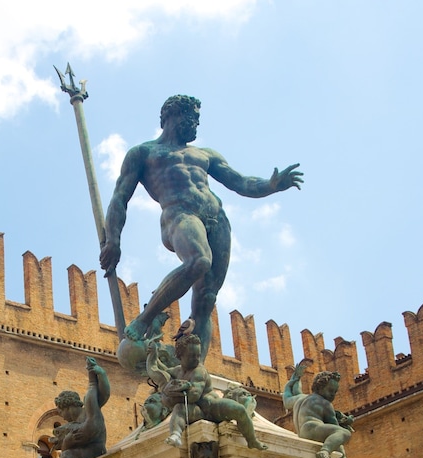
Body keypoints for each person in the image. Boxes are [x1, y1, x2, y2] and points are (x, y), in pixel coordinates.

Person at [100, 95, 303, 359]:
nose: (196, 124)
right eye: (192, 118)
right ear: (173, 116)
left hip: (217, 219)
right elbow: (119, 198)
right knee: (199, 260)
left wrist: (271, 185)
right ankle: (144, 319)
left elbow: (240, 182)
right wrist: (113, 240)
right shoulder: (144, 153)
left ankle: (194, 370)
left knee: (207, 298)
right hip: (179, 215)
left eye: (198, 119)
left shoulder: (205, 155)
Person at [147, 333, 266, 450]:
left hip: (213, 407)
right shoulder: (177, 371)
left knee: (239, 410)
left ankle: (252, 440)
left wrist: (170, 395)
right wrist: (153, 355)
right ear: (180, 356)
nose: (196, 359)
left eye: (198, 355)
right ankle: (176, 434)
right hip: (198, 411)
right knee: (179, 408)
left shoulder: (199, 371)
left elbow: (194, 395)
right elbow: (161, 371)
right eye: (191, 355)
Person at [282, 360, 365, 458]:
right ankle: (327, 452)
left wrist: (294, 379)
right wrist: (345, 422)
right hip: (314, 429)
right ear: (320, 388)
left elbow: (287, 398)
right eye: (331, 390)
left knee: (338, 445)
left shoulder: (300, 398)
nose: (333, 395)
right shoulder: (325, 404)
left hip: (302, 432)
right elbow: (334, 425)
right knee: (343, 435)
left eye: (335, 392)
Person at [41, 357, 112, 458]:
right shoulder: (74, 423)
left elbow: (103, 393)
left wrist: (101, 374)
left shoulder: (88, 409)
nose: (62, 417)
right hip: (87, 450)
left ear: (68, 407)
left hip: (96, 450)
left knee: (67, 456)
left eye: (61, 412)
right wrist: (66, 443)